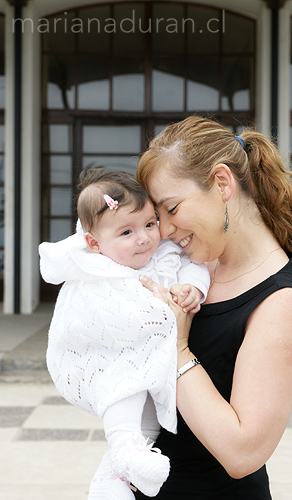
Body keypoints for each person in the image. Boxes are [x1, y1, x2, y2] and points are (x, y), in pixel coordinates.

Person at [132, 116, 292, 499]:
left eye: (172, 208)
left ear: (222, 183)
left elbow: (243, 452)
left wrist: (177, 349)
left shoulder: (282, 302)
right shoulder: (197, 268)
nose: (166, 231)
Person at [39, 168, 211, 499]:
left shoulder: (166, 252)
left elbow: (195, 266)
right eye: (126, 232)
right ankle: (124, 452)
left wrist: (193, 288)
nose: (144, 238)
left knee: (144, 432)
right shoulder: (95, 269)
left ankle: (110, 481)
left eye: (149, 224)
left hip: (158, 362)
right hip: (118, 359)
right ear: (94, 243)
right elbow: (84, 317)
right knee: (125, 398)